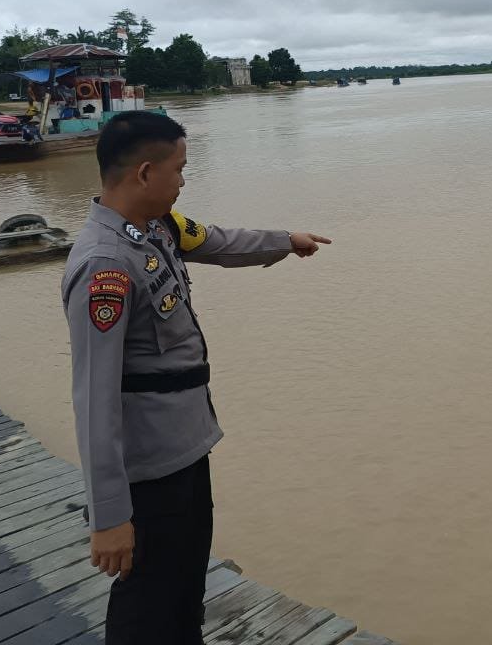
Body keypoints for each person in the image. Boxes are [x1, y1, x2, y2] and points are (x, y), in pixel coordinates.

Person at [61, 111, 331, 644]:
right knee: (146, 598)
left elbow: (216, 242)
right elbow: (94, 399)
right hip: (148, 467)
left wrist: (285, 240)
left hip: (185, 446)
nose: (184, 181)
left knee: (185, 587)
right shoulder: (104, 265)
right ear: (145, 173)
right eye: (179, 170)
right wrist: (109, 516)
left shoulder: (157, 227)